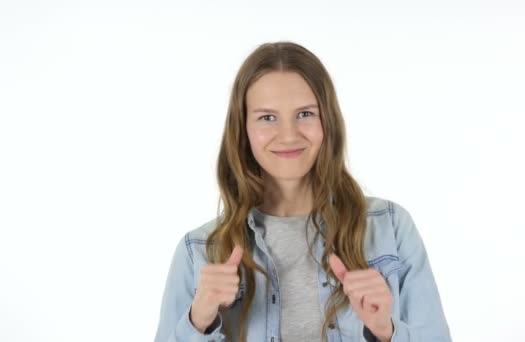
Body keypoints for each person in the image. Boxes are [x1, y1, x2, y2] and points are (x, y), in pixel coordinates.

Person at [153, 41, 452, 342]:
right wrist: (198, 322)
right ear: (242, 129)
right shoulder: (198, 252)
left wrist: (385, 332)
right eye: (267, 117)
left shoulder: (390, 227)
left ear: (328, 121)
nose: (288, 135)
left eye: (305, 114)